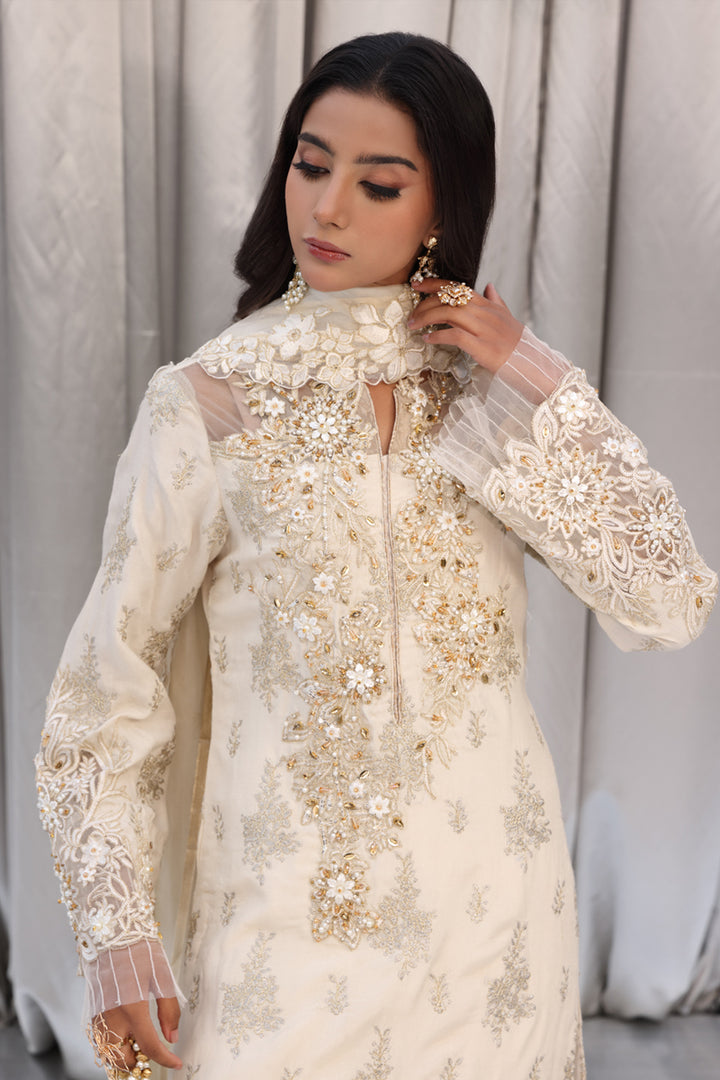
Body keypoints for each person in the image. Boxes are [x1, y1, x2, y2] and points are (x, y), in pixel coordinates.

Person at [36, 31, 716, 1080]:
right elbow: (105, 688)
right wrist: (116, 932)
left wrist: (534, 376)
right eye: (311, 166)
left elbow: (666, 599)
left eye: (378, 183)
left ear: (444, 204)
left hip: (495, 926)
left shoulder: (485, 394)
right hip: (286, 932)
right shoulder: (213, 403)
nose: (327, 209)